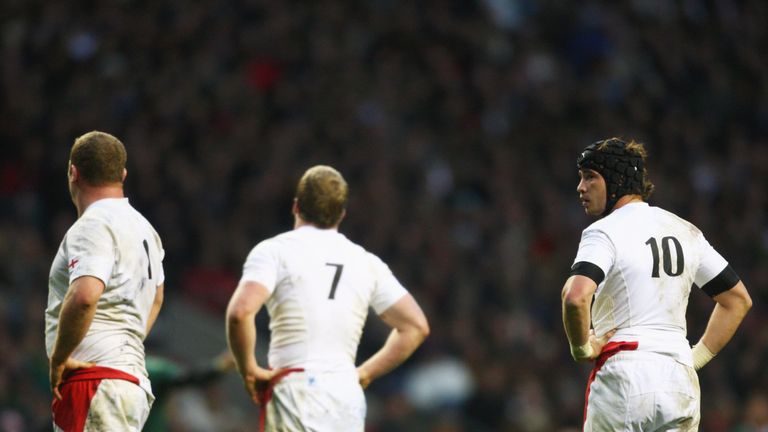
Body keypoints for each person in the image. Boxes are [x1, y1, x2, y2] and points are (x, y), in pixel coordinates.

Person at [561, 137, 753, 431]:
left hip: (624, 373)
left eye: (590, 177)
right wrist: (694, 358)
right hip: (679, 381)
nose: (581, 187)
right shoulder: (685, 231)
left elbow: (575, 297)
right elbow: (737, 300)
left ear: (616, 181)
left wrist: (581, 347)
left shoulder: (603, 232)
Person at [226, 165, 430, 431]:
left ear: (296, 206)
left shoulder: (275, 251)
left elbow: (240, 312)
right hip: (346, 396)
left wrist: (249, 369)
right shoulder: (367, 262)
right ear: (341, 214)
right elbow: (416, 326)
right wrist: (366, 372)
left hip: (297, 389)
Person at [45, 131, 165, 431]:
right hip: (128, 380)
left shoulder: (93, 224)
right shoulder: (145, 229)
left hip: (94, 381)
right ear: (122, 174)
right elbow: (158, 297)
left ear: (73, 172)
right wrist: (125, 344)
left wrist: (60, 358)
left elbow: (85, 295)